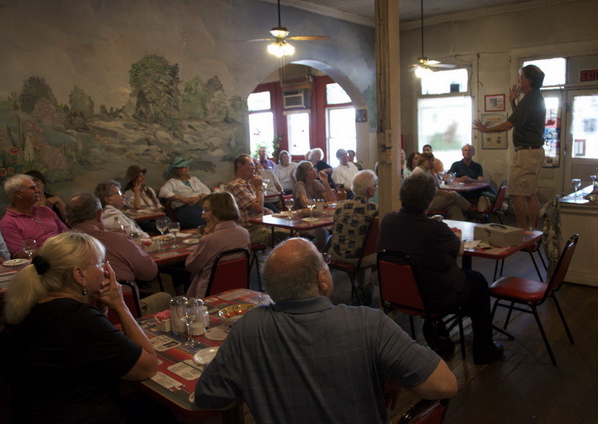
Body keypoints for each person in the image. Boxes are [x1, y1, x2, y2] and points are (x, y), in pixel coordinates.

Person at [194, 238, 458, 423]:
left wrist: (258, 381)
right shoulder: (370, 324)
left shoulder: (247, 329)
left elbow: (208, 397)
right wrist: (394, 376)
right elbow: (445, 385)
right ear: (322, 280)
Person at [0, 232, 159, 423]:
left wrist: (101, 308)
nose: (106, 271)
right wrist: (120, 305)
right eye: (100, 263)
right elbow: (148, 367)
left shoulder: (37, 304)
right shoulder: (76, 317)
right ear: (79, 274)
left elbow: (90, 348)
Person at [377, 172, 504, 365]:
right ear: (429, 201)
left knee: (427, 275)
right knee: (477, 281)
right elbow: (459, 250)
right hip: (434, 297)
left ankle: (440, 336)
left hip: (400, 294)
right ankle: (483, 349)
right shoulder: (435, 229)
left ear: (402, 196)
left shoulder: (387, 221)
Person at [473, 65, 546, 230]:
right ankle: (532, 231)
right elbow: (519, 121)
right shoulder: (536, 97)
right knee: (530, 192)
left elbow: (508, 125)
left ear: (528, 81)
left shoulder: (529, 99)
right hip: (534, 151)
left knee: (515, 192)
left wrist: (485, 130)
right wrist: (512, 101)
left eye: (521, 78)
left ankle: (521, 231)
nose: (519, 81)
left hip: (526, 152)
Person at [66, 192, 158, 285]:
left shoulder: (59, 247)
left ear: (68, 221)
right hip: (122, 298)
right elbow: (149, 273)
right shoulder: (118, 240)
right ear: (99, 215)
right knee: (164, 297)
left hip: (78, 298)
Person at [185, 192, 250, 298]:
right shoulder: (244, 233)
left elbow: (191, 266)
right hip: (238, 290)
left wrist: (204, 236)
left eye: (206, 210)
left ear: (219, 210)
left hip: (209, 293)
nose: (202, 215)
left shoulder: (209, 239)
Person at [328, 170, 378, 304]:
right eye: (375, 185)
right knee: (379, 251)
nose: (375, 188)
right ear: (369, 191)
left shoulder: (340, 205)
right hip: (358, 258)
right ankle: (367, 286)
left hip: (336, 255)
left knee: (360, 243)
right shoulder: (374, 209)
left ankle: (363, 286)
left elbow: (333, 230)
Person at [0, 174, 69, 258]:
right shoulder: (8, 223)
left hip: (65, 255)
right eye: (32, 188)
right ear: (18, 194)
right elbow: (20, 255)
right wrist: (55, 249)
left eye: (36, 187)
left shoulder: (46, 211)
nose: (38, 190)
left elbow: (66, 233)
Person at [226, 154, 276, 247]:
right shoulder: (236, 185)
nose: (253, 168)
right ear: (240, 165)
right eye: (251, 165)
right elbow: (258, 208)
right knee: (288, 236)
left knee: (290, 233)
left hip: (259, 225)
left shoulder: (247, 184)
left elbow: (256, 205)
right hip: (249, 230)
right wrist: (259, 187)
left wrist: (266, 209)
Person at [293, 161, 336, 252]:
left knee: (335, 229)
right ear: (304, 174)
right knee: (322, 232)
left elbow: (331, 200)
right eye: (311, 169)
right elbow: (305, 203)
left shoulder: (316, 183)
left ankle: (320, 253)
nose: (315, 170)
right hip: (301, 221)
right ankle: (314, 254)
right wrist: (321, 204)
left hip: (316, 218)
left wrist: (325, 182)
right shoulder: (299, 185)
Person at [413, 153, 472, 221]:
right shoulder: (419, 172)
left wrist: (433, 173)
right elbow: (426, 191)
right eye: (429, 160)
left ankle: (459, 225)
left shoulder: (427, 170)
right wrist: (442, 193)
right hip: (425, 202)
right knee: (453, 194)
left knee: (453, 205)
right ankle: (471, 213)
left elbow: (438, 185)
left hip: (432, 197)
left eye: (432, 160)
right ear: (422, 160)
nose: (431, 162)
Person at [158, 157, 210, 229]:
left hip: (200, 205)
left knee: (215, 214)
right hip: (184, 208)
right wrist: (181, 198)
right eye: (183, 167)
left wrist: (198, 198)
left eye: (186, 166)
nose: (186, 168)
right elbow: (163, 192)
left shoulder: (194, 179)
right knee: (201, 219)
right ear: (177, 170)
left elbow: (207, 191)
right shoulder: (172, 182)